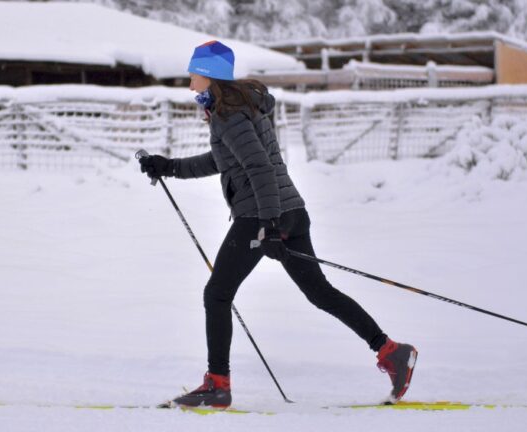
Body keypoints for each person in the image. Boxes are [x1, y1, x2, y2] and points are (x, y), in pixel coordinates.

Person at [138, 40, 417, 409]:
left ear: (208, 75)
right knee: (320, 293)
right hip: (290, 210)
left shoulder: (228, 115)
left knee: (217, 294)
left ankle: (217, 385)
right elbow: (224, 160)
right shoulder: (239, 109)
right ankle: (391, 352)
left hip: (261, 214)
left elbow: (259, 168)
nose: (190, 85)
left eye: (193, 75)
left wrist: (268, 226)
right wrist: (169, 166)